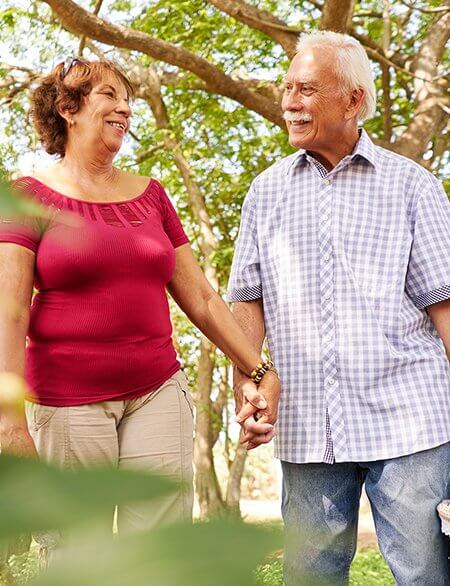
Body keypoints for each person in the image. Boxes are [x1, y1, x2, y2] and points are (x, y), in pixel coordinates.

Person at [0, 57, 281, 539]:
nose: (125, 109)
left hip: (157, 392)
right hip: (68, 401)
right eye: (109, 95)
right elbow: (9, 313)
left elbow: (203, 299)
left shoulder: (152, 195)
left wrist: (259, 369)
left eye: (128, 100)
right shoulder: (27, 196)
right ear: (68, 108)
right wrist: (9, 423)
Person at [229, 31, 450, 586]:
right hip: (307, 422)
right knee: (311, 576)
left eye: (306, 89)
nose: (290, 102)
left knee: (424, 574)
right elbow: (246, 299)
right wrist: (248, 382)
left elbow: (445, 307)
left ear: (353, 100)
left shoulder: (413, 187)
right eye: (287, 88)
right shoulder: (266, 192)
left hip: (409, 421)